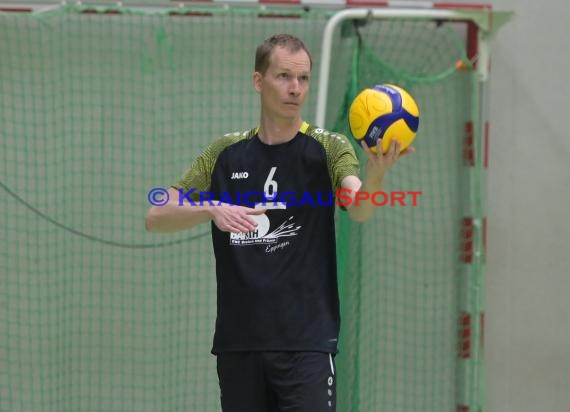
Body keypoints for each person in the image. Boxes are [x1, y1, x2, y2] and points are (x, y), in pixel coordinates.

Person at [145, 33, 413, 412]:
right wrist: (210, 208)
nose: (295, 89)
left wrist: (376, 176)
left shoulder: (330, 147)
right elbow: (156, 216)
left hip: (306, 345)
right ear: (259, 81)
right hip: (239, 344)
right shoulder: (225, 153)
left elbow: (359, 207)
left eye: (303, 79)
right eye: (284, 76)